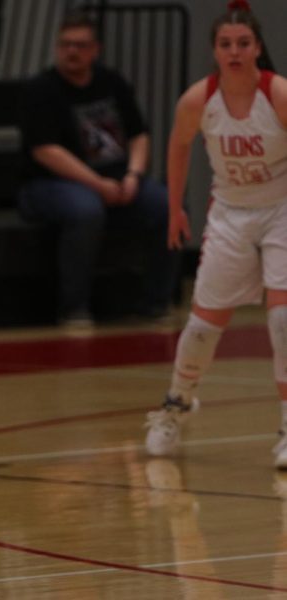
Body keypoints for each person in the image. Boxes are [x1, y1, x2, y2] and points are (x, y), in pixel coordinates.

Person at [143, 1, 287, 465]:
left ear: (258, 47)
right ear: (215, 51)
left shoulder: (278, 94)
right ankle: (176, 405)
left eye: (243, 43)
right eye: (226, 44)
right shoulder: (198, 99)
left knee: (284, 321)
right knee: (203, 327)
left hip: (281, 209)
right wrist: (175, 208)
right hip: (228, 212)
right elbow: (178, 145)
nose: (235, 51)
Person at [17, 11, 176, 328]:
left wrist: (133, 175)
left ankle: (157, 301)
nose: (72, 51)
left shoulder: (112, 82)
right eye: (65, 45)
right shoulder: (41, 89)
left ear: (95, 50)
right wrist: (97, 184)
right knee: (86, 210)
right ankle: (73, 307)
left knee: (167, 205)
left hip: (117, 179)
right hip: (49, 185)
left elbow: (139, 134)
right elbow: (46, 151)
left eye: (80, 45)